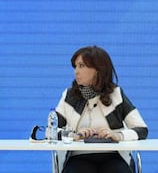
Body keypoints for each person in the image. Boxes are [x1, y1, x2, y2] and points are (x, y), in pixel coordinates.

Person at [54, 45, 148, 173]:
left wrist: (118, 135)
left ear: (97, 70)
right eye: (75, 66)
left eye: (81, 66)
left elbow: (142, 129)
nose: (76, 71)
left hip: (113, 156)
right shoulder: (69, 96)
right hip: (78, 157)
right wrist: (72, 135)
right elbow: (51, 132)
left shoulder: (116, 94)